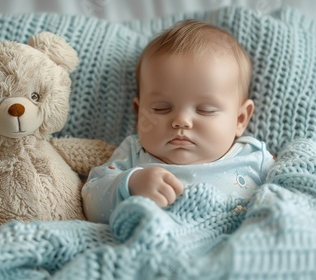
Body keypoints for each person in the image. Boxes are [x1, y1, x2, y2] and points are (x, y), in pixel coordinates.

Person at [82, 19, 274, 223]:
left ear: (240, 119)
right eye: (161, 109)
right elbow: (90, 200)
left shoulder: (254, 158)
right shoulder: (133, 155)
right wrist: (130, 185)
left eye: (205, 110)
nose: (181, 121)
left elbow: (292, 191)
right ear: (140, 113)